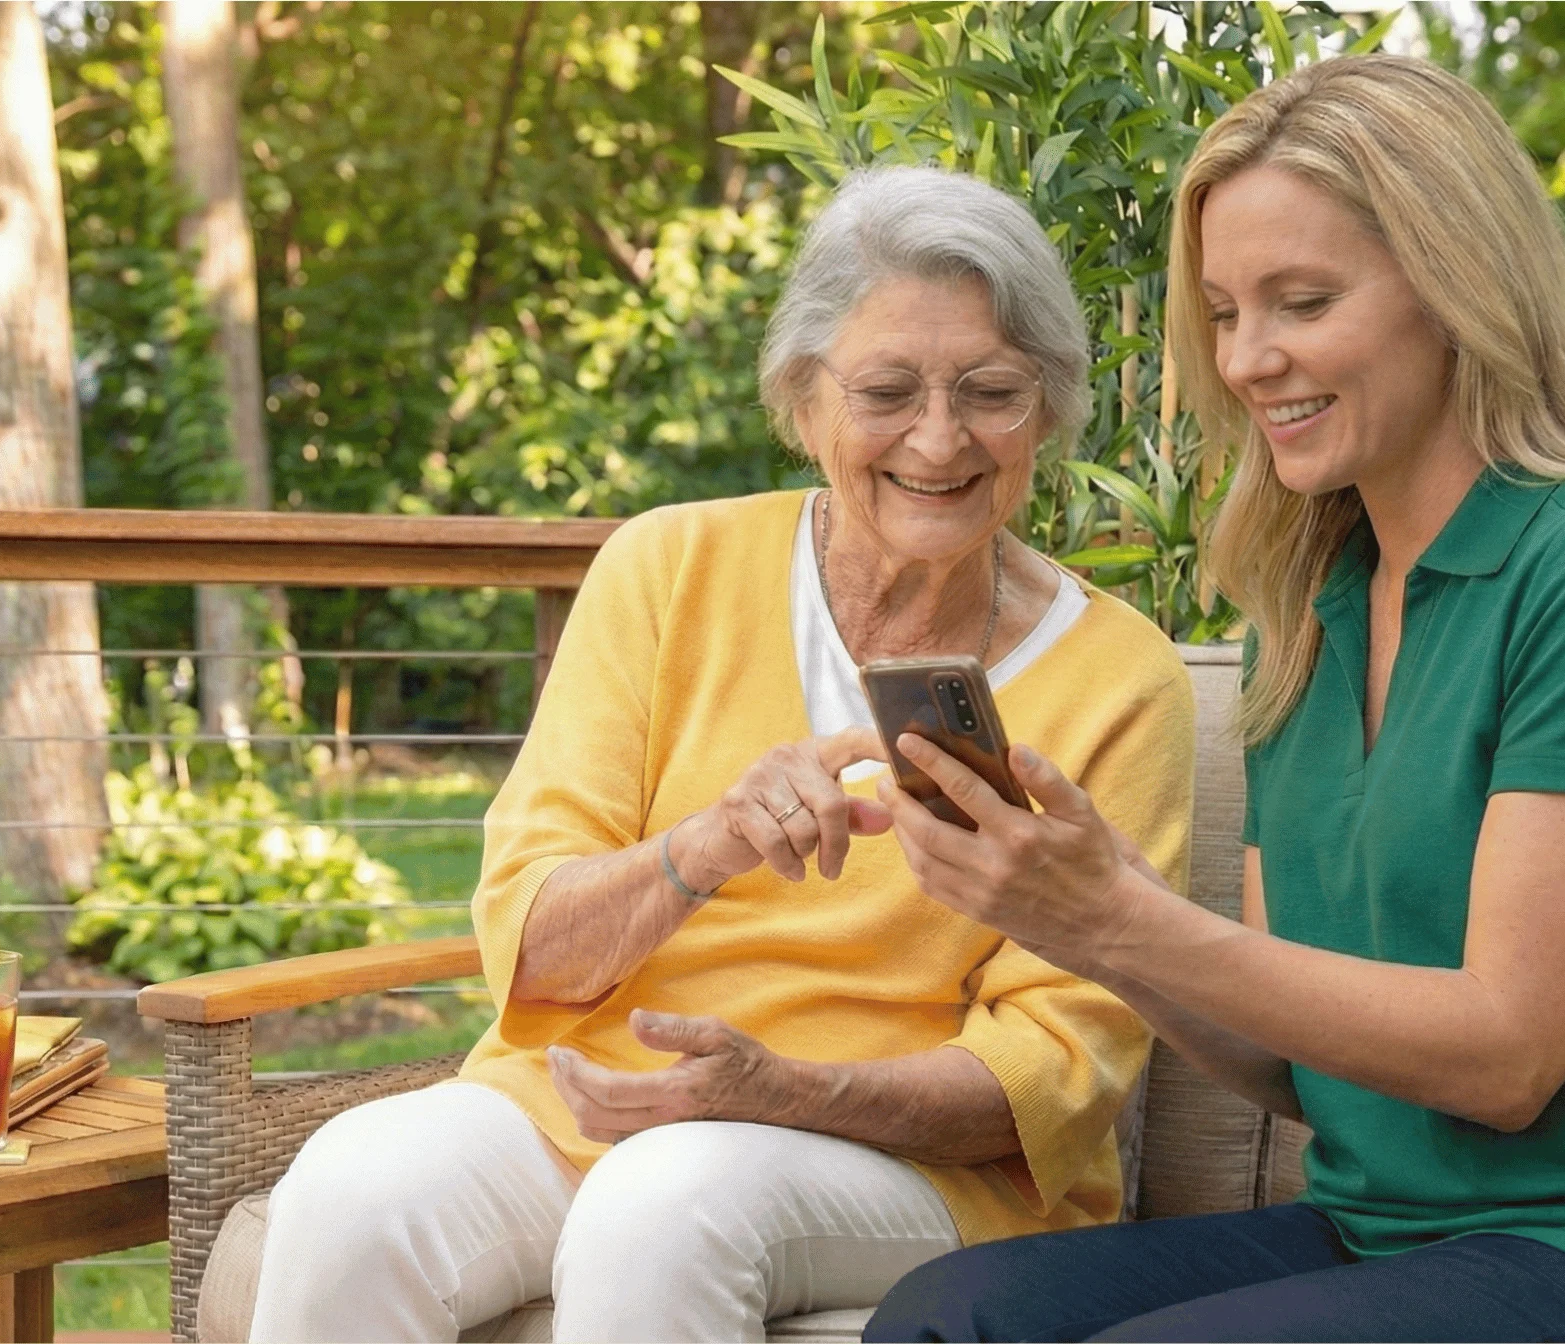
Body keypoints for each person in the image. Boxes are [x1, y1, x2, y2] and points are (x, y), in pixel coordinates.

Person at [863, 56, 1565, 1344]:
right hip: (1385, 1233)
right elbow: (1294, 1071)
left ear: (1455, 287)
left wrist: (1123, 921)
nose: (1251, 360)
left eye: (1302, 302)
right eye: (1223, 312)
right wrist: (1084, 915)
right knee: (950, 1318)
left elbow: (1506, 1056)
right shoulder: (1310, 606)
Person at [245, 165, 1195, 1343]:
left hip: (915, 1169)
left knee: (665, 1204)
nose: (940, 439)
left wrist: (788, 1092)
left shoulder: (1120, 680)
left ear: (1047, 408)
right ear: (802, 402)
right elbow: (531, 944)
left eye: (991, 391)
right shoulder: (666, 569)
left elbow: (1058, 1072)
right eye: (887, 390)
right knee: (350, 1189)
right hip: (583, 1096)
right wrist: (706, 845)